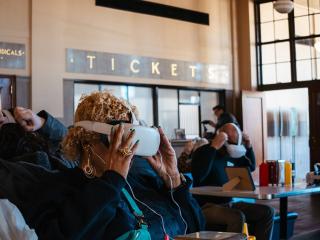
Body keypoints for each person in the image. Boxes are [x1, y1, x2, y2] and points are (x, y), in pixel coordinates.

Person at [1, 91, 204, 240]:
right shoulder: (59, 188)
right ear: (87, 140)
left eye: (132, 138)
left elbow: (197, 228)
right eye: (118, 138)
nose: (127, 148)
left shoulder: (142, 180)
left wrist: (175, 182)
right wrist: (111, 181)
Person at [192, 123, 274, 240]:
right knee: (237, 216)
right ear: (222, 137)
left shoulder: (232, 154)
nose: (234, 146)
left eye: (236, 143)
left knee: (267, 212)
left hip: (228, 203)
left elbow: (250, 167)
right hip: (205, 206)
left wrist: (248, 147)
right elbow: (199, 175)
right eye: (231, 142)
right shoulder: (203, 152)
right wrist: (214, 147)